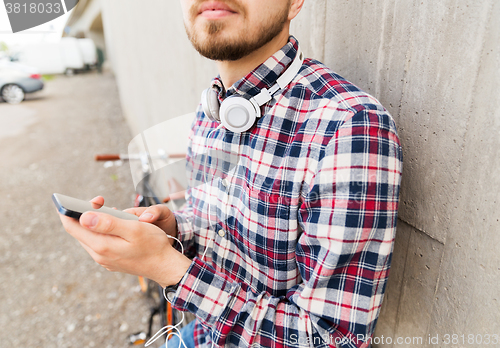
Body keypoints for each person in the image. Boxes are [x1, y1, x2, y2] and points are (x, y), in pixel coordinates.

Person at [58, 0, 403, 347]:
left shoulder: (350, 128)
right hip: (201, 333)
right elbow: (219, 225)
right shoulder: (214, 105)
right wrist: (176, 229)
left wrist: (167, 268)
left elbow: (331, 339)